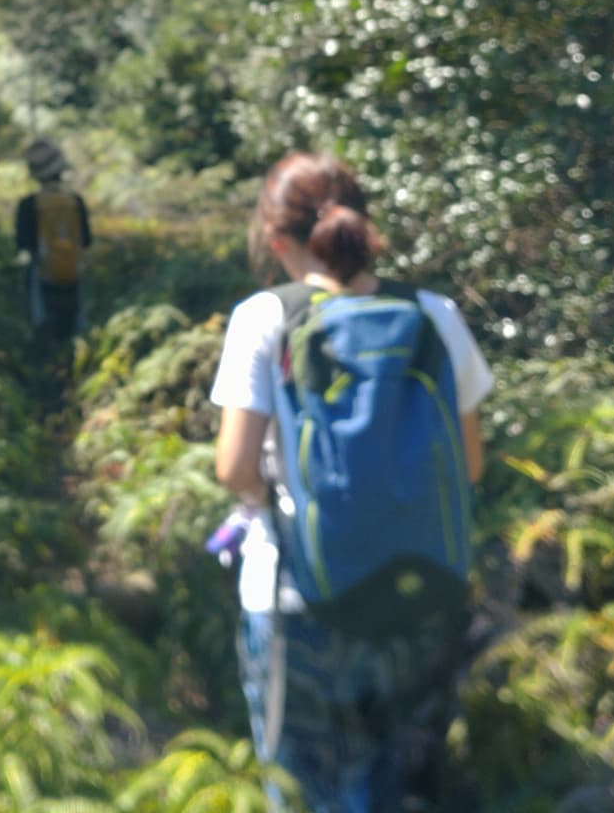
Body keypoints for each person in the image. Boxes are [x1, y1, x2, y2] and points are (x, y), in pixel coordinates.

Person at [210, 151, 493, 812]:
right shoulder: (434, 314)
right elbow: (469, 465)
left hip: (297, 594)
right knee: (396, 784)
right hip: (419, 589)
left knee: (307, 790)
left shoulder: (265, 318)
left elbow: (235, 468)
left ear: (277, 240)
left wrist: (263, 498)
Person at [13, 138, 92, 382]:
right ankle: (75, 373)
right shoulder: (75, 201)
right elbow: (87, 240)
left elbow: (23, 243)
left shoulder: (29, 205)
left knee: (42, 325)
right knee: (73, 326)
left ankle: (45, 374)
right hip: (74, 275)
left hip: (41, 276)